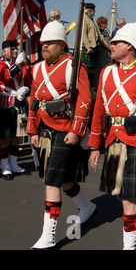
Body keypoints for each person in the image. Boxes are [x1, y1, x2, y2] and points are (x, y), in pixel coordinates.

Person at [88, 22, 136, 250]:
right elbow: (99, 111)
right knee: (121, 195)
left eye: (116, 42)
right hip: (113, 141)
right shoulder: (106, 72)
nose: (111, 45)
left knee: (129, 200)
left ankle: (129, 247)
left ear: (130, 47)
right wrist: (94, 145)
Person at [28, 21, 96, 249]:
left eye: (48, 43)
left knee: (51, 182)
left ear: (61, 44)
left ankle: (48, 236)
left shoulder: (73, 66)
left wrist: (76, 130)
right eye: (42, 43)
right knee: (64, 180)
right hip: (44, 129)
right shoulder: (37, 68)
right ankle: (87, 206)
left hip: (65, 129)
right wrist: (32, 130)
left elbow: (85, 100)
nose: (43, 46)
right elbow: (34, 101)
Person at [0, 41, 32, 180]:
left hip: (20, 103)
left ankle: (14, 164)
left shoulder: (21, 64)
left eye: (15, 48)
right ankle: (5, 166)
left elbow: (30, 81)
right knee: (5, 137)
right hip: (6, 104)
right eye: (11, 49)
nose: (15, 51)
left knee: (18, 135)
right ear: (3, 52)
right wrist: (17, 64)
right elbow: (6, 76)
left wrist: (27, 89)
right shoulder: (1, 64)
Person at [81, 2, 102, 87]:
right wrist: (88, 47)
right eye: (94, 10)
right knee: (87, 70)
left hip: (93, 48)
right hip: (88, 49)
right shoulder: (84, 19)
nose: (95, 11)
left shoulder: (90, 19)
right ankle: (87, 88)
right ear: (89, 11)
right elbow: (83, 33)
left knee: (92, 70)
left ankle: (91, 88)